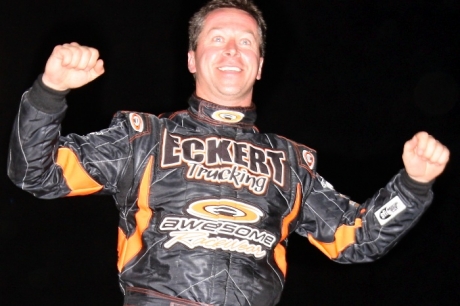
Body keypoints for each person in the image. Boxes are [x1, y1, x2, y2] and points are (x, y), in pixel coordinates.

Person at [7, 0, 450, 305]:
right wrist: (50, 92)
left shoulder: (291, 164)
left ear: (259, 64)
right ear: (192, 58)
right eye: (217, 39)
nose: (232, 51)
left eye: (246, 42)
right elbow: (36, 173)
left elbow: (358, 239)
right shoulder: (145, 139)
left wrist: (412, 185)